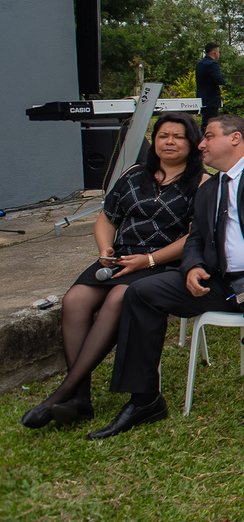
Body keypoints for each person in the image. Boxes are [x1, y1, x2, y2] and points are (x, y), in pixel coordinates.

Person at [88, 115, 244, 440]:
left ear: (235, 138)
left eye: (208, 136)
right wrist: (193, 266)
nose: (200, 144)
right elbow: (197, 237)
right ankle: (144, 399)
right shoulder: (209, 187)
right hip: (222, 282)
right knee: (141, 292)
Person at [21, 113, 207, 429]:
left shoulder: (203, 183)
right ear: (155, 141)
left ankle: (64, 394)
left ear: (193, 143)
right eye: (163, 136)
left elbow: (195, 237)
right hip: (119, 257)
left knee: (118, 298)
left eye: (178, 136)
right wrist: (105, 249)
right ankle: (80, 397)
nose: (170, 142)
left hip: (163, 264)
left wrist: (148, 261)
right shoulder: (135, 174)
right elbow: (108, 219)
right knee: (76, 300)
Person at [195, 43, 226, 128]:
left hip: (202, 97)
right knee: (212, 123)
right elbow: (218, 80)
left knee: (205, 122)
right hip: (211, 98)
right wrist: (224, 81)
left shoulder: (199, 64)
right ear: (215, 52)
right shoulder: (213, 64)